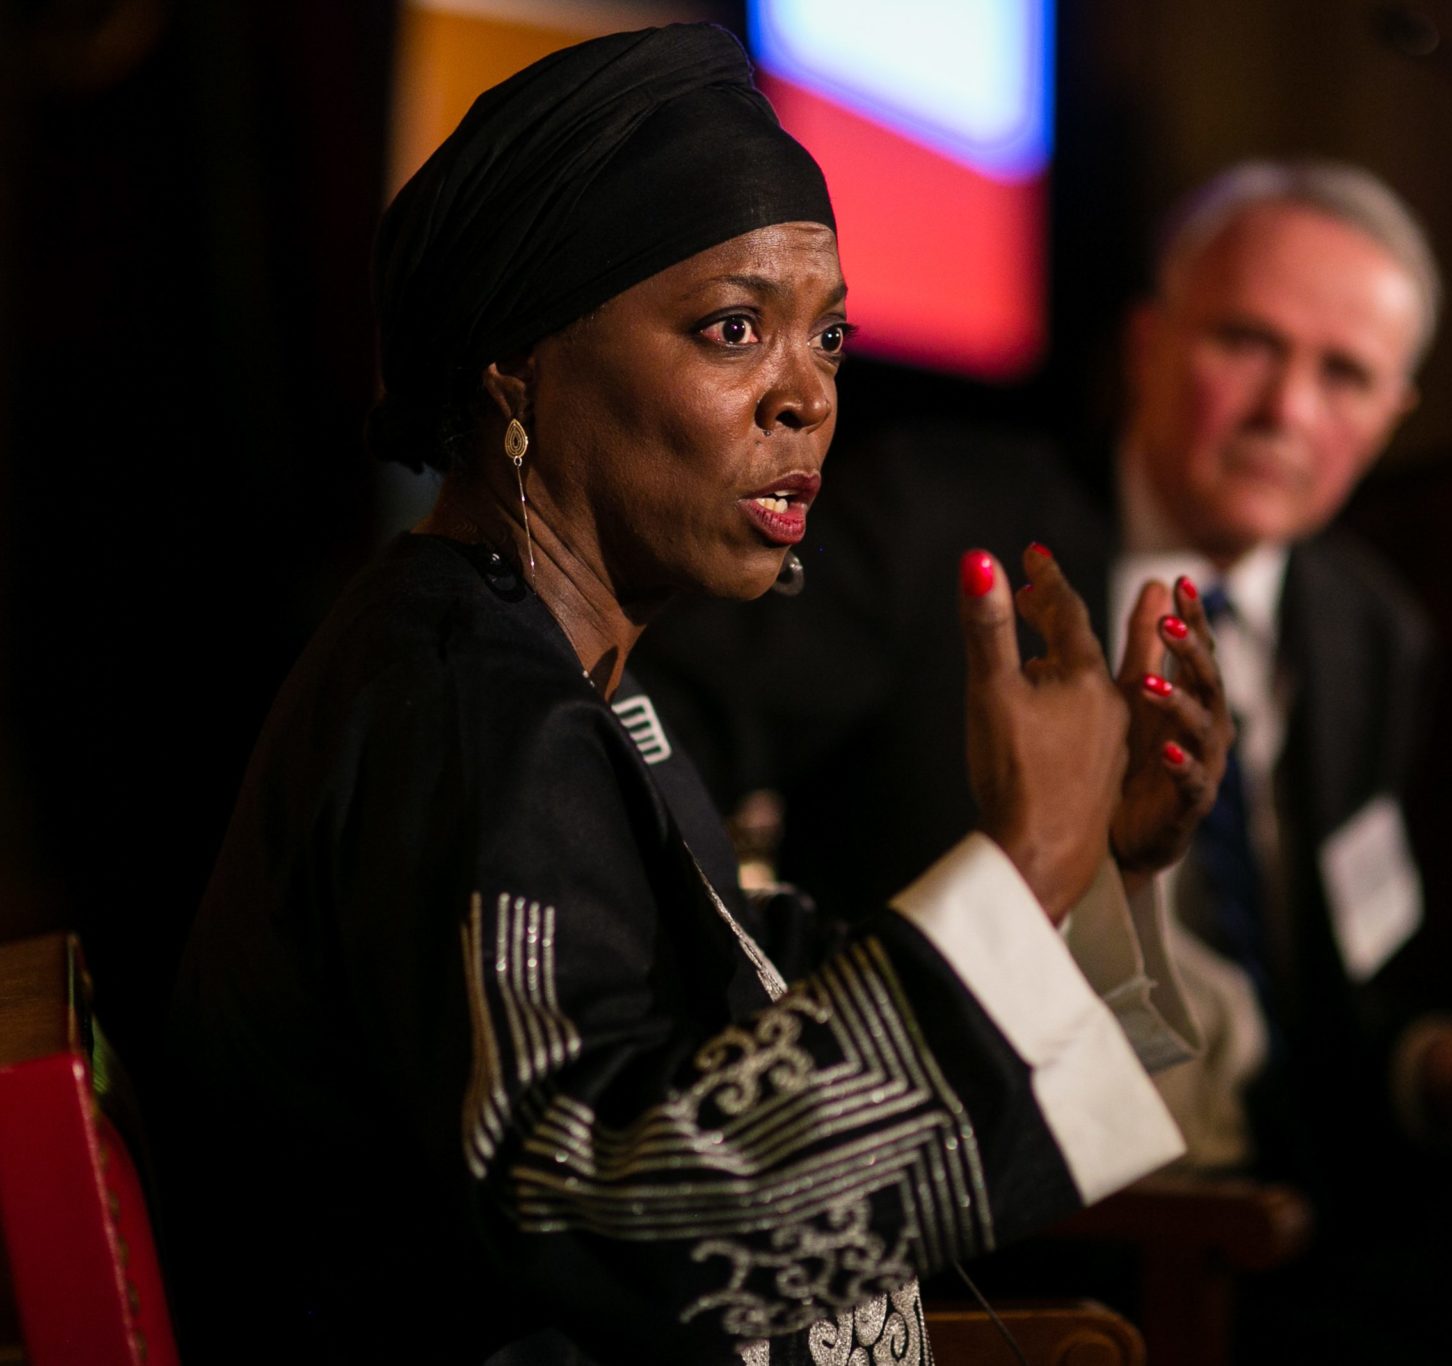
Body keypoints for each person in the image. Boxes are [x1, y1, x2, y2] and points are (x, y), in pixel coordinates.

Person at [167, 25, 1232, 1365]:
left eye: (829, 337)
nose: (809, 398)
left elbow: (765, 990)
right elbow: (603, 1205)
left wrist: (1094, 860)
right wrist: (1024, 866)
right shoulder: (467, 704)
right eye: (734, 329)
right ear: (518, 369)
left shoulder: (570, 682)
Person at [637, 159, 1452, 1355]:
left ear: (1392, 412)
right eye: (1246, 342)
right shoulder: (932, 526)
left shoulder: (1367, 630)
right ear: (1146, 345)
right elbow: (662, 742)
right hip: (991, 1217)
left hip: (1278, 1217)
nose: (1285, 408)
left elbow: (1314, 982)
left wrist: (1424, 1065)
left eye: (1341, 373)